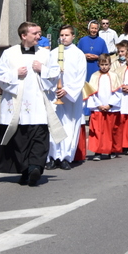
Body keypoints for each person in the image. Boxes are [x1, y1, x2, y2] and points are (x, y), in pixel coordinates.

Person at [0, 22, 64, 187]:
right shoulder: (10, 54)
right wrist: (15, 73)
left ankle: (35, 167)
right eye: (35, 33)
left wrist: (42, 69)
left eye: (39, 33)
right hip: (17, 105)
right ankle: (25, 170)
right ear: (24, 36)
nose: (39, 36)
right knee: (19, 140)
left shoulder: (44, 54)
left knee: (39, 136)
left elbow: (55, 73)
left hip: (37, 105)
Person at [47, 25, 87, 171]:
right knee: (54, 126)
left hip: (71, 97)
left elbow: (81, 77)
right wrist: (54, 88)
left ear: (73, 36)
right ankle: (52, 156)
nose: (64, 38)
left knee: (70, 126)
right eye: (62, 35)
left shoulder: (78, 54)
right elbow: (47, 74)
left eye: (67, 35)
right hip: (54, 95)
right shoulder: (52, 53)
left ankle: (65, 157)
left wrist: (67, 90)